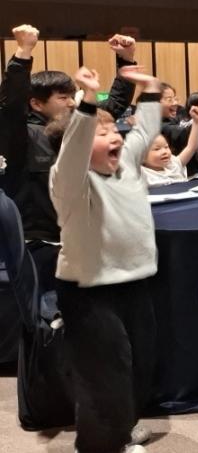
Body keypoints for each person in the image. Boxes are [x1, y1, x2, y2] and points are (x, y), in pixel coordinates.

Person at [46, 64, 165, 453]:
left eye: (115, 129)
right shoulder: (70, 181)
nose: (115, 136)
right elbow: (74, 151)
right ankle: (99, 446)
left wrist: (150, 91)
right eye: (103, 132)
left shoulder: (126, 164)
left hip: (134, 280)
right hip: (88, 290)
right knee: (105, 374)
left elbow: (144, 131)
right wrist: (88, 105)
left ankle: (122, 430)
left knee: (140, 365)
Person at [0, 26, 138, 288]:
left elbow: (112, 106)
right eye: (63, 98)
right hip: (39, 247)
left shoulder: (73, 128)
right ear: (37, 104)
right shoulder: (21, 136)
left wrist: (127, 59)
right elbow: (11, 106)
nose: (72, 103)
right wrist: (23, 52)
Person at [143, 101, 198, 187]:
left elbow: (191, 147)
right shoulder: (140, 174)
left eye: (166, 147)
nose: (164, 151)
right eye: (157, 149)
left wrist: (196, 121)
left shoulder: (173, 164)